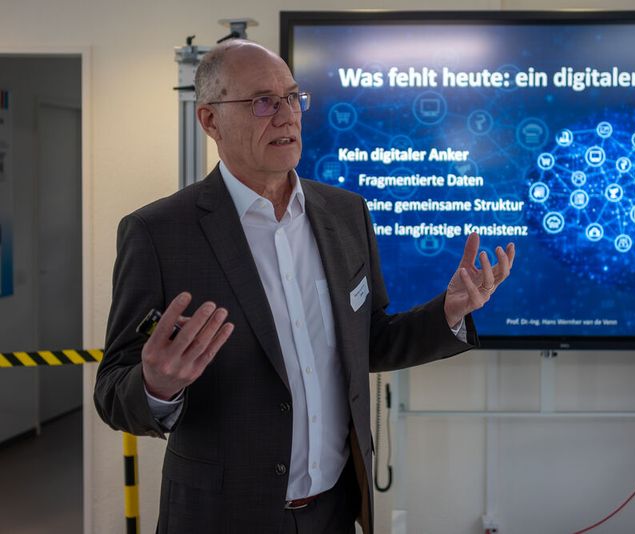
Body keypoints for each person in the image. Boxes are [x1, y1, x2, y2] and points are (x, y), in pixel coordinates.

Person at [94, 39, 514, 534]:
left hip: (334, 512)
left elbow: (370, 341)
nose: (287, 116)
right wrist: (157, 386)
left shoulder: (346, 212)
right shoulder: (160, 233)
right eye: (262, 103)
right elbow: (113, 390)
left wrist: (447, 312)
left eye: (293, 97)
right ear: (209, 121)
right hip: (221, 518)